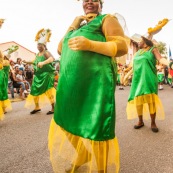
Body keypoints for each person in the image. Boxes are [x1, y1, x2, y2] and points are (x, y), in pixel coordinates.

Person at [48, 0, 128, 173]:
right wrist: (73, 24)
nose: (89, 1)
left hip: (96, 83)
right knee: (64, 118)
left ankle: (101, 170)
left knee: (97, 127)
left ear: (100, 3)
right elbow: (60, 48)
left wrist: (90, 44)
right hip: (70, 82)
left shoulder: (107, 19)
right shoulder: (78, 26)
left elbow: (122, 47)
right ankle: (82, 154)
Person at [126, 33, 172, 133]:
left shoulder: (153, 49)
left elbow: (160, 59)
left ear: (146, 42)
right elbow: (133, 66)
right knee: (138, 100)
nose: (138, 42)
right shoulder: (137, 53)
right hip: (137, 80)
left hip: (149, 78)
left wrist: (170, 63)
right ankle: (140, 121)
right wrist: (126, 75)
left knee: (151, 101)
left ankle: (153, 122)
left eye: (140, 40)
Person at [25, 28, 56, 115]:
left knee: (48, 90)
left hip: (46, 74)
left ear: (44, 46)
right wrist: (26, 61)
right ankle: (37, 107)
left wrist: (44, 62)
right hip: (38, 75)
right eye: (37, 45)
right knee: (34, 90)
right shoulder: (37, 54)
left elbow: (51, 59)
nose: (38, 47)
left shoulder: (46, 52)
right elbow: (34, 61)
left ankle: (53, 108)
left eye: (40, 45)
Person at [0, 51, 12, 120]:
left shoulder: (5, 62)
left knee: (1, 94)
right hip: (2, 80)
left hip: (1, 80)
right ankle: (3, 109)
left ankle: (3, 109)